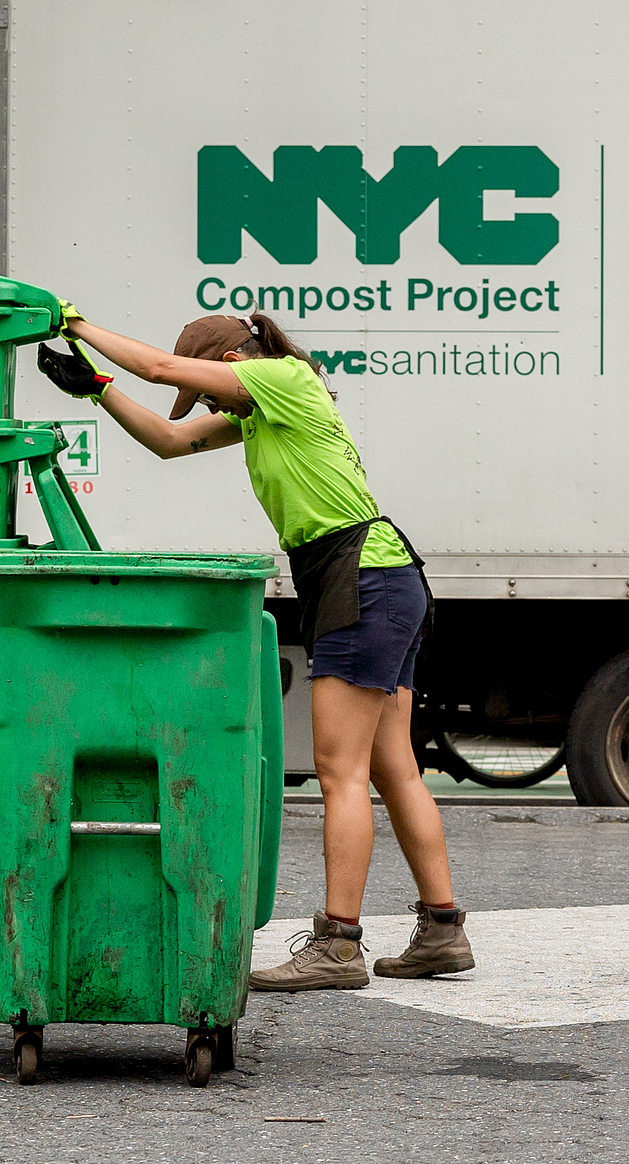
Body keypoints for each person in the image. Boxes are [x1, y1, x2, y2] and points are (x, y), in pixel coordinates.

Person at [37, 307, 473, 991]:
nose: (211, 405)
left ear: (233, 365)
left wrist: (79, 326)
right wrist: (96, 388)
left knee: (340, 773)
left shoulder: (280, 378)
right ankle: (443, 930)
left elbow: (159, 368)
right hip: (384, 576)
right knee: (393, 768)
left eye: (211, 391)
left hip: (358, 574)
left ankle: (338, 943)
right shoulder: (264, 405)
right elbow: (169, 442)